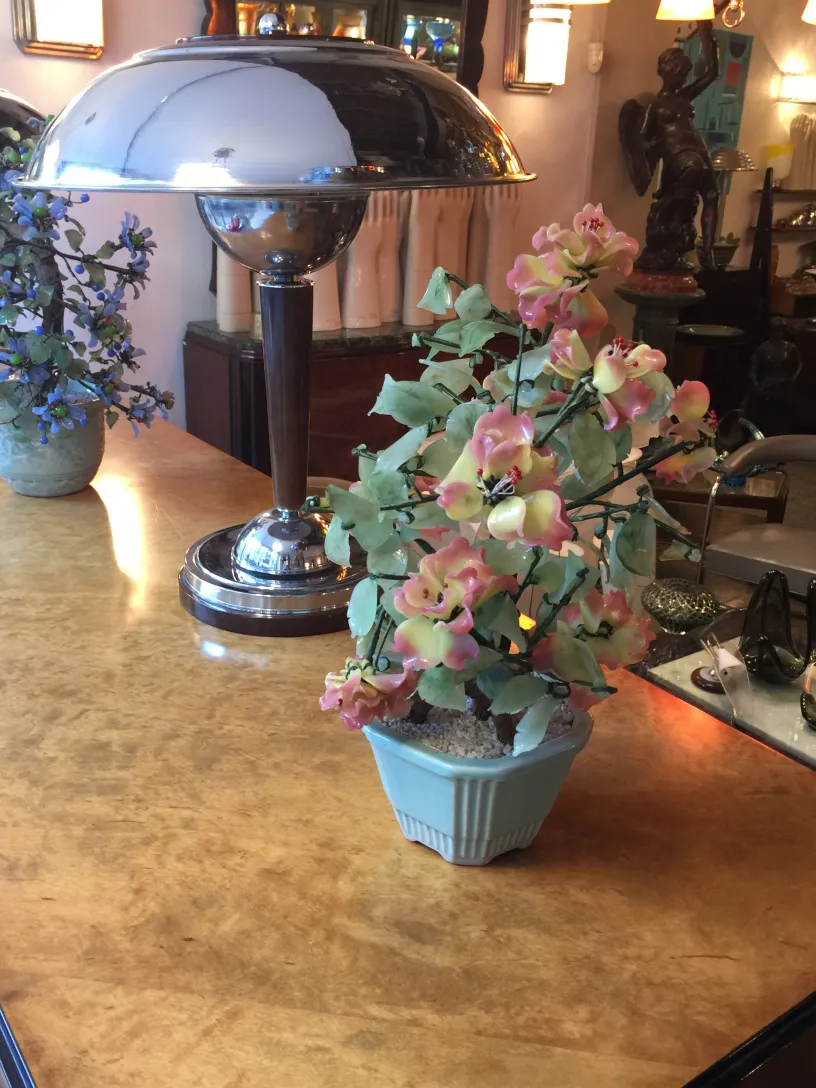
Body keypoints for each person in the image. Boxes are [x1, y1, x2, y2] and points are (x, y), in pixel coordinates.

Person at [620, 20, 720, 272]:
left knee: (711, 194)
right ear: (668, 72)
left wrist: (707, 32)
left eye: (685, 74)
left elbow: (711, 73)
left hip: (697, 146)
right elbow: (642, 138)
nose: (683, 77)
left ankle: (707, 248)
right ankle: (673, 227)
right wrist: (654, 148)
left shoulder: (684, 97)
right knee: (691, 176)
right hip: (679, 154)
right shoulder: (655, 106)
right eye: (680, 73)